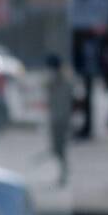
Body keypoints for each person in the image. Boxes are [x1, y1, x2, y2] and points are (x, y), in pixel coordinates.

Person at [45, 54, 74, 186]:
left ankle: (64, 173)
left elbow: (68, 101)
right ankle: (63, 172)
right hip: (55, 118)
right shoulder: (52, 81)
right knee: (56, 149)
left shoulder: (64, 80)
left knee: (60, 149)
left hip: (62, 119)